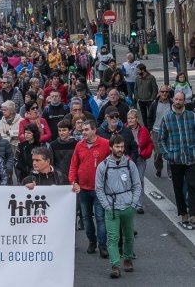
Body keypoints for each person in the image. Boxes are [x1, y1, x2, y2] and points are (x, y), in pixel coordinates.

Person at [95, 135, 142, 279]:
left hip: (128, 206)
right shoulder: (103, 166)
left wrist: (133, 203)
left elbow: (137, 185)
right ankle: (115, 265)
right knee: (113, 237)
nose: (120, 149)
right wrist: (107, 205)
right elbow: (99, 188)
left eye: (122, 147)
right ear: (111, 147)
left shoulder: (130, 164)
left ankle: (127, 259)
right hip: (112, 207)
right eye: (117, 146)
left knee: (128, 236)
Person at [70, 119, 111, 258]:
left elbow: (114, 161)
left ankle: (102, 245)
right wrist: (73, 181)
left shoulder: (105, 144)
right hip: (83, 188)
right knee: (86, 218)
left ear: (94, 130)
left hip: (99, 188)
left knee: (100, 217)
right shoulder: (79, 145)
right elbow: (74, 165)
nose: (84, 132)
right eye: (83, 130)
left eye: (87, 129)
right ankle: (91, 241)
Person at [158, 91, 195, 229]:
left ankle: (193, 213)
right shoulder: (167, 118)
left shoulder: (192, 116)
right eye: (176, 99)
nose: (178, 102)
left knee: (193, 185)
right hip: (175, 159)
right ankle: (183, 212)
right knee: (178, 188)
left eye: (181, 99)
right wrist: (168, 155)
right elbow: (161, 139)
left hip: (191, 157)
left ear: (184, 101)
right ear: (173, 100)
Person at [125, 109, 152, 214]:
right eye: (129, 118)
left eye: (132, 118)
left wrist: (145, 154)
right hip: (127, 159)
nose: (130, 120)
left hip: (140, 159)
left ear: (136, 119)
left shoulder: (143, 130)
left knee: (139, 180)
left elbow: (149, 143)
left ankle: (139, 205)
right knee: (127, 181)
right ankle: (128, 202)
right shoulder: (123, 129)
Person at [148, 85, 173, 178]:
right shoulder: (154, 104)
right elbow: (149, 117)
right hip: (156, 131)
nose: (164, 93)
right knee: (158, 153)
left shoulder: (172, 103)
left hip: (169, 131)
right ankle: (159, 168)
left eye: (166, 92)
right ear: (159, 92)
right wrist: (150, 129)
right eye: (162, 91)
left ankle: (170, 172)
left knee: (170, 152)